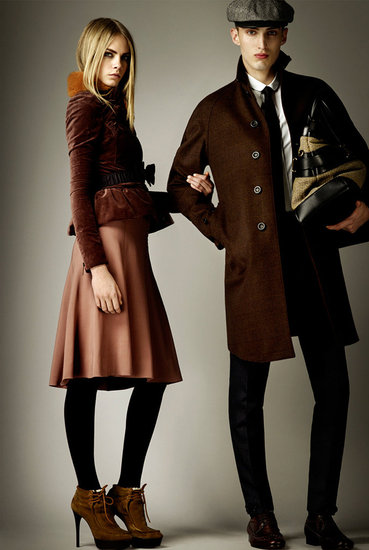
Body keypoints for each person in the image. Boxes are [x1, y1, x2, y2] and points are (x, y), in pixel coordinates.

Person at [167, 1, 369, 549]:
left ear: (283, 35)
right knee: (246, 396)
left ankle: (320, 516)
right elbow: (179, 185)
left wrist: (365, 205)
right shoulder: (214, 109)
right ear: (234, 37)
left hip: (312, 255)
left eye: (270, 32)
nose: (260, 43)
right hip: (253, 265)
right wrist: (224, 230)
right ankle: (259, 514)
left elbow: (360, 155)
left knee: (333, 388)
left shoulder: (315, 92)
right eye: (250, 32)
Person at [50, 18, 181, 550]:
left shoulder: (113, 110)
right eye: (108, 55)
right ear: (89, 55)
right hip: (102, 255)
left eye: (124, 56)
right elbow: (80, 193)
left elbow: (126, 189)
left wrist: (186, 193)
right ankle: (88, 495)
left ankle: (127, 492)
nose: (118, 65)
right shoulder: (84, 106)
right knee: (86, 375)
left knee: (152, 374)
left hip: (132, 254)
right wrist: (96, 267)